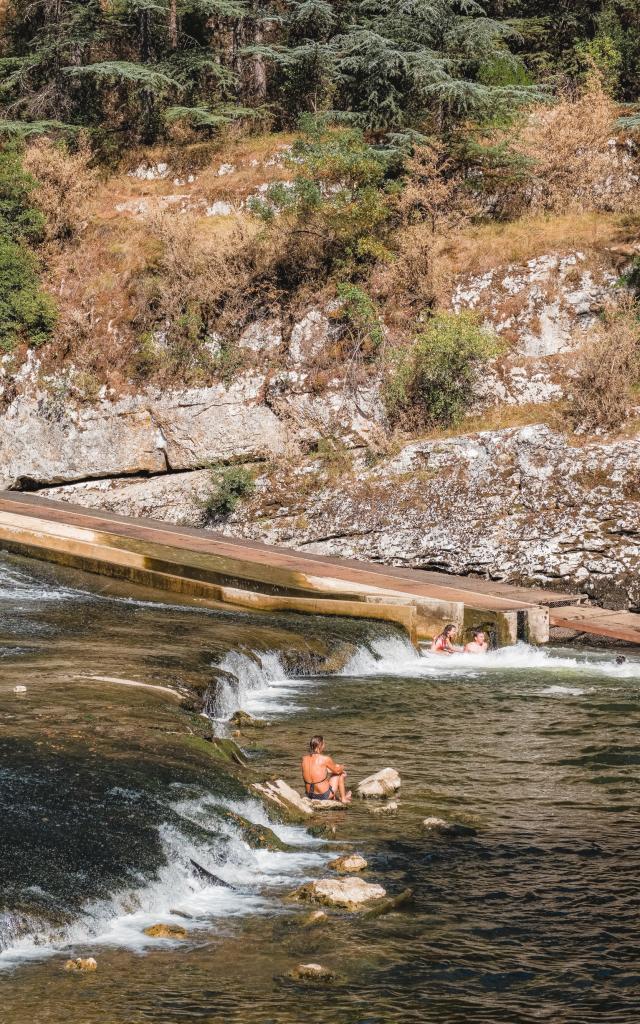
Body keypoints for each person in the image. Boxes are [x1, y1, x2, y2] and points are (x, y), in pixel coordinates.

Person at [301, 735, 351, 803]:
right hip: (323, 796)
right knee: (340, 774)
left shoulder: (304, 759)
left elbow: (314, 772)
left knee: (329, 774)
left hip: (310, 795)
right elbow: (338, 771)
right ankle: (343, 799)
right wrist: (342, 767)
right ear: (320, 745)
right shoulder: (325, 759)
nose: (324, 746)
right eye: (324, 743)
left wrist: (329, 770)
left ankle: (337, 798)